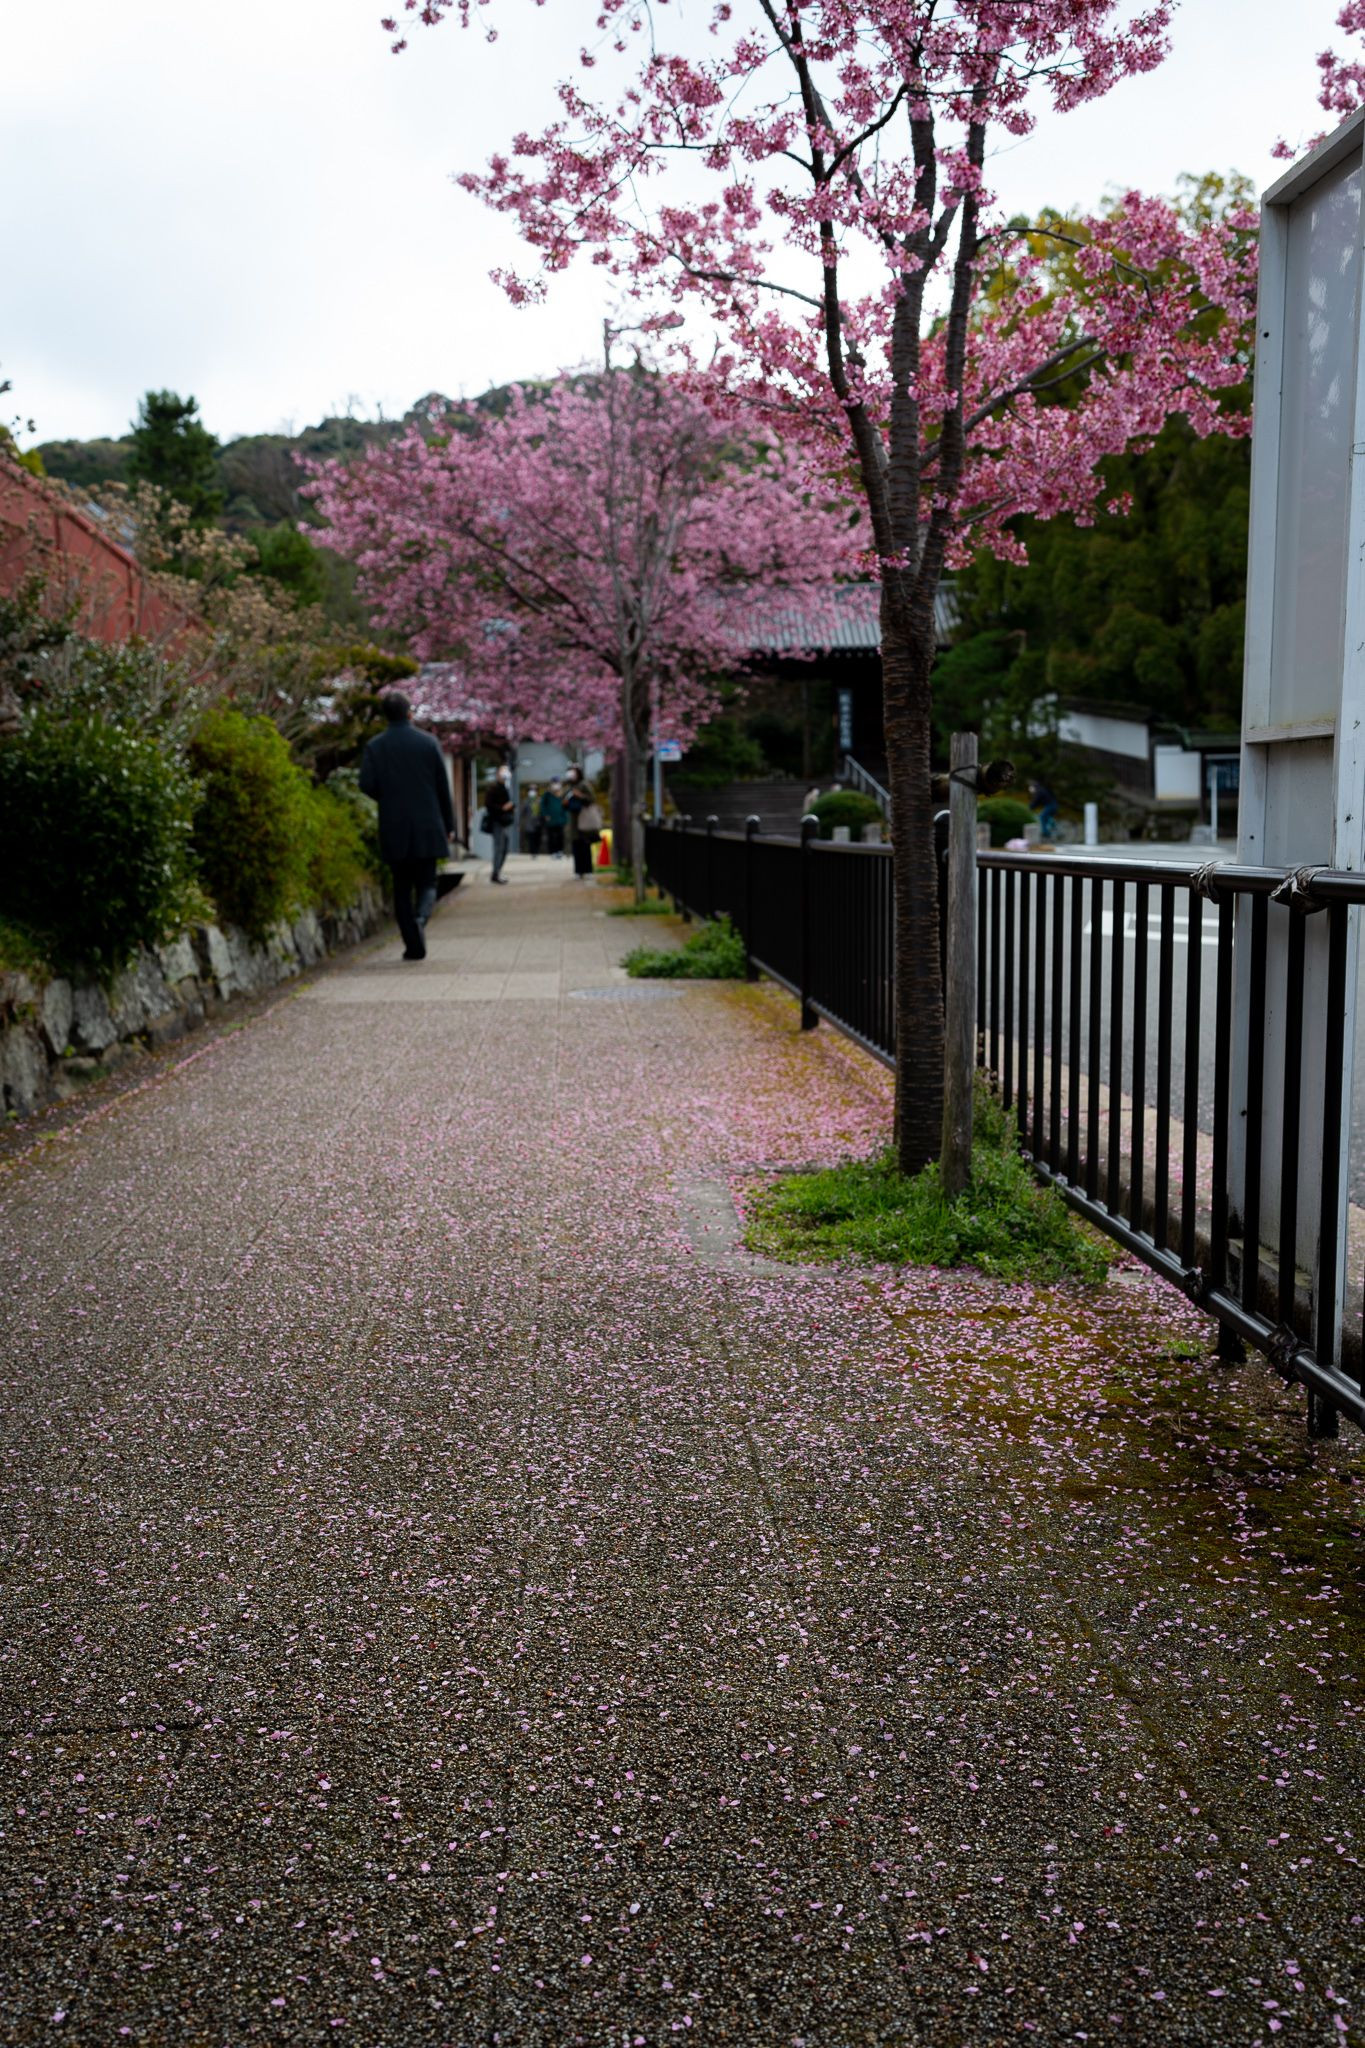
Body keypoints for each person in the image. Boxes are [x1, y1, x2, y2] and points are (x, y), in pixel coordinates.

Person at [358, 691, 454, 962]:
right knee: (427, 882)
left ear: (384, 716)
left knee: (401, 887)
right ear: (409, 713)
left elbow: (366, 784)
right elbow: (442, 788)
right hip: (428, 823)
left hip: (394, 824)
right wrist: (448, 824)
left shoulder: (375, 746)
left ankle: (412, 945)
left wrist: (387, 796)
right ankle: (421, 918)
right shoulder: (428, 743)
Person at [564, 767, 603, 880]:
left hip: (584, 818)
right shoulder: (569, 787)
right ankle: (578, 871)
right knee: (576, 846)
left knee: (585, 845)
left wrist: (580, 795)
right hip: (574, 820)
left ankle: (588, 870)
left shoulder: (584, 785)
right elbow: (564, 801)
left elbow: (592, 799)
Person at [483, 770, 515, 884]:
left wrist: (510, 807)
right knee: (499, 848)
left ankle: (497, 872)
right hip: (496, 822)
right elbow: (489, 805)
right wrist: (502, 808)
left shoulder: (505, 788)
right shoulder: (493, 789)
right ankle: (496, 873)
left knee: (504, 846)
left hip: (503, 822)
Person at [540, 779, 567, 857]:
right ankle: (552, 852)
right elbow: (543, 805)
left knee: (560, 836)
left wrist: (565, 817)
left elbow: (565, 807)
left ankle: (560, 851)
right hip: (550, 819)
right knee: (551, 836)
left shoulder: (562, 795)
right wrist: (545, 815)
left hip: (560, 819)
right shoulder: (547, 794)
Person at [1029, 776, 1058, 842]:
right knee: (1046, 817)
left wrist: (1030, 807)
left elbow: (1036, 801)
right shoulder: (1041, 789)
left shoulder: (1039, 791)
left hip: (1051, 805)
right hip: (1052, 805)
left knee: (1042, 817)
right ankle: (1055, 827)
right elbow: (1038, 802)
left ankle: (1046, 833)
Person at [520, 785, 543, 858]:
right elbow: (522, 812)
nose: (533, 791)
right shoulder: (526, 801)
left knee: (538, 838)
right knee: (531, 838)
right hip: (529, 823)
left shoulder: (540, 800)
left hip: (538, 822)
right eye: (531, 790)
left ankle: (537, 851)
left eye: (534, 790)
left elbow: (543, 810)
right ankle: (533, 852)